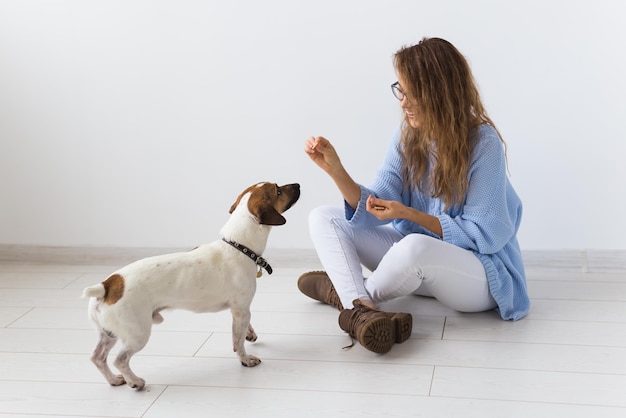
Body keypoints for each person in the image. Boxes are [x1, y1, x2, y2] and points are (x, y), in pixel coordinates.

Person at [298, 37, 530, 354]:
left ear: (440, 92)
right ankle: (362, 309)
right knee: (324, 217)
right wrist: (336, 171)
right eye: (401, 90)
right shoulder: (407, 136)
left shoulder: (483, 143)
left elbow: (485, 235)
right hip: (419, 269)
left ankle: (345, 297)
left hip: (479, 275)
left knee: (414, 245)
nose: (403, 102)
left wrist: (408, 214)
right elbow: (373, 206)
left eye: (411, 93)